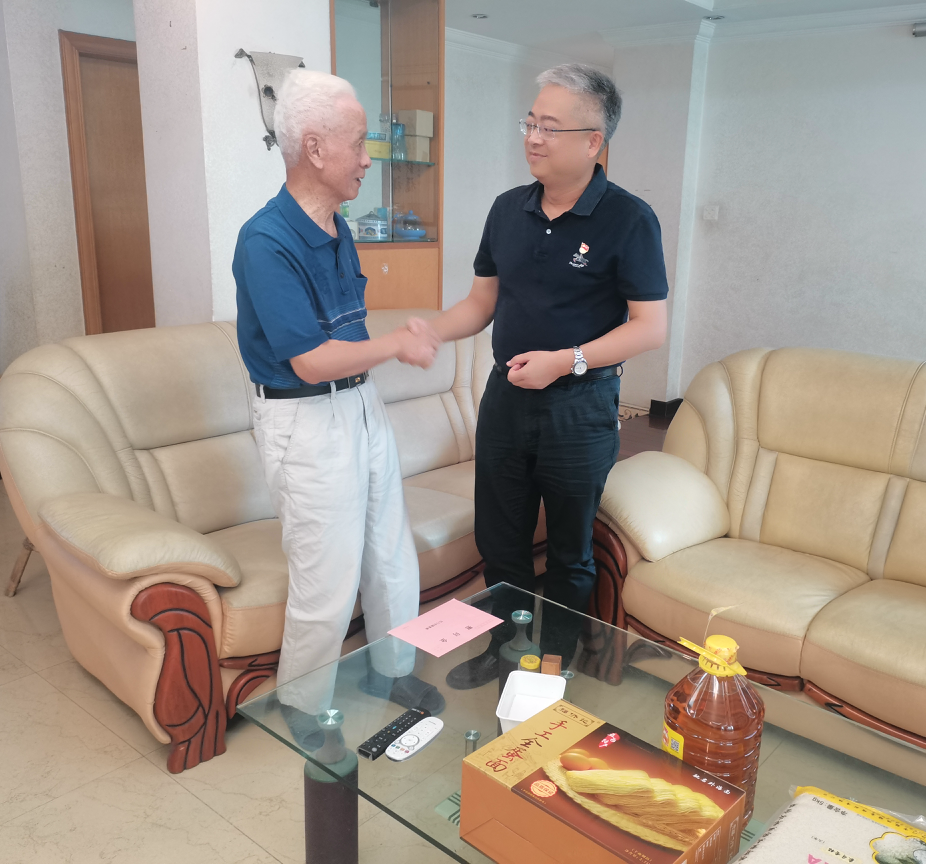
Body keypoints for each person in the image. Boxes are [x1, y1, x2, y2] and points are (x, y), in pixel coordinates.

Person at [413, 65, 669, 690]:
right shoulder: (508, 209)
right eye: (530, 122)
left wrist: (567, 359)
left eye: (550, 127)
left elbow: (649, 326)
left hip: (580, 404)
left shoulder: (629, 218)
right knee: (499, 540)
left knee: (569, 550)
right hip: (506, 400)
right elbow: (482, 303)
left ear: (593, 141)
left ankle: (551, 663)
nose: (533, 137)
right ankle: (503, 648)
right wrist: (430, 331)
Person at [232, 69, 444, 728]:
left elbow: (343, 339)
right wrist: (396, 344)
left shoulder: (337, 226)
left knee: (390, 552)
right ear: (316, 148)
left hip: (359, 404)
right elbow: (310, 359)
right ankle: (303, 706)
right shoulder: (266, 241)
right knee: (326, 576)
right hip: (303, 417)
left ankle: (393, 671)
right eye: (358, 143)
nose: (367, 158)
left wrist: (380, 356)